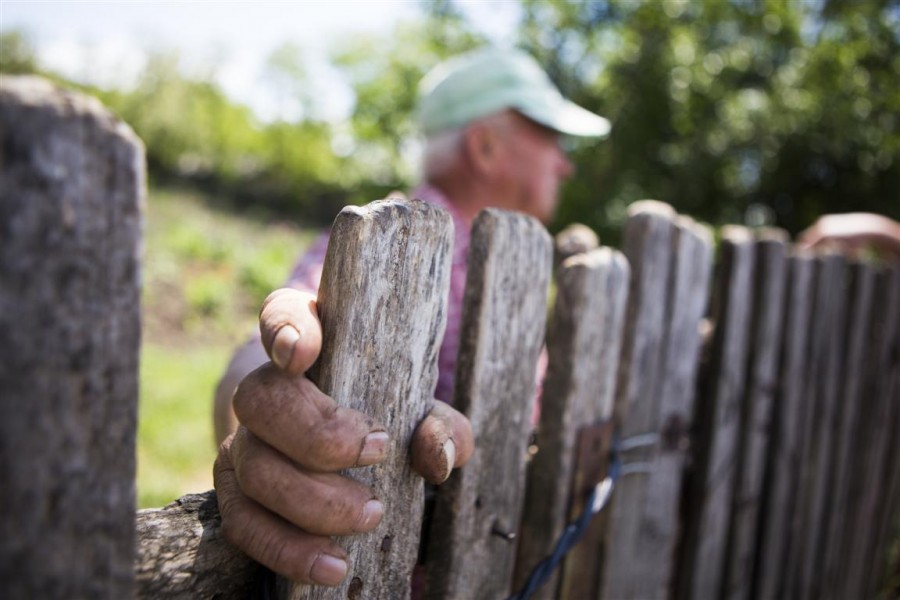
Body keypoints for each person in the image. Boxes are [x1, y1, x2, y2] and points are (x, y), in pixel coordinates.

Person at [211, 47, 611, 586]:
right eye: (549, 136)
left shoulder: (505, 265)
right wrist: (258, 399)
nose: (566, 161)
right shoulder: (386, 239)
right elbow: (267, 346)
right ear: (486, 146)